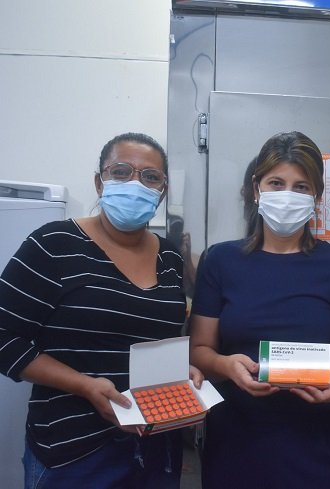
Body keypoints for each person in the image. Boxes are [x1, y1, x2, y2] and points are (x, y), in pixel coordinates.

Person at [0, 132, 202, 488]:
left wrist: (176, 370)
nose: (135, 184)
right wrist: (84, 385)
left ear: (162, 191)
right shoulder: (54, 244)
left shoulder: (169, 256)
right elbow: (4, 338)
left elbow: (155, 339)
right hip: (74, 452)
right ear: (99, 182)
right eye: (121, 172)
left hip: (155, 441)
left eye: (150, 176)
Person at [190, 130, 330, 489]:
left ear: (317, 197)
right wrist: (226, 366)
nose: (287, 195)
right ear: (256, 188)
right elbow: (199, 350)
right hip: (237, 445)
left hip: (318, 445)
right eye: (276, 183)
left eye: (301, 187)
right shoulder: (220, 261)